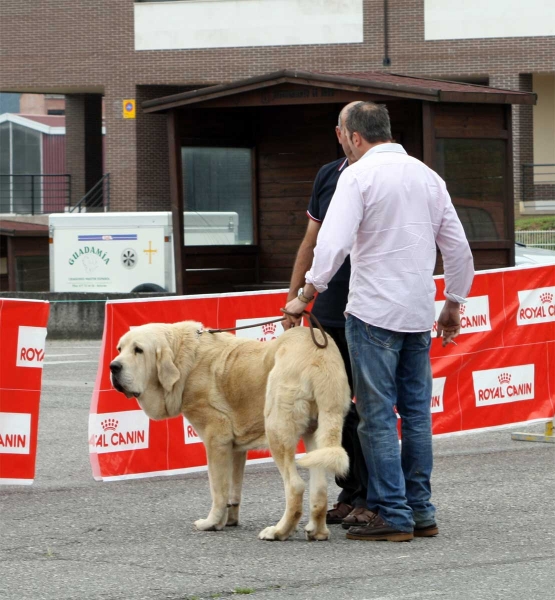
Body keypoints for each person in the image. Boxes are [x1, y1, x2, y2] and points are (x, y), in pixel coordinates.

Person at [285, 101, 474, 542]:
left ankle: (391, 512)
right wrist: (453, 303)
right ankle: (421, 510)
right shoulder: (429, 176)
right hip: (416, 312)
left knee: (376, 417)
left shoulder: (357, 175)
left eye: (343, 136)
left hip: (371, 312)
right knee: (416, 416)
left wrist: (305, 294)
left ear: (353, 136)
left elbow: (330, 246)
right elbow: (459, 248)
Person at [284, 101, 369, 528]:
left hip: (370, 308)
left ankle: (373, 497)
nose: (342, 137)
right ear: (339, 135)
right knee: (336, 408)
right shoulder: (327, 175)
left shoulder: (379, 173)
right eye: (338, 130)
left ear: (353, 133)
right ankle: (350, 491)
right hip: (328, 308)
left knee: (364, 407)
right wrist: (294, 295)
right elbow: (312, 239)